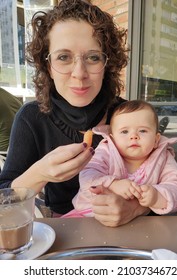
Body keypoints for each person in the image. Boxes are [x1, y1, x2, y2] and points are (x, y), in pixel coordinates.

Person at [0, 0, 148, 226]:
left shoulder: (130, 115)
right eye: (63, 57)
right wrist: (40, 174)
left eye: (93, 57)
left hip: (130, 234)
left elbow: (170, 185)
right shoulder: (32, 118)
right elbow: (3, 202)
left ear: (107, 64)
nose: (79, 74)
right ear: (48, 65)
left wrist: (136, 208)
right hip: (61, 234)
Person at [62, 100, 177, 218]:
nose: (134, 136)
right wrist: (113, 184)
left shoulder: (163, 157)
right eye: (124, 132)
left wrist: (157, 196)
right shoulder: (106, 152)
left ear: (156, 139)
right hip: (90, 215)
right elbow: (87, 176)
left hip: (141, 224)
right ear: (113, 138)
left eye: (143, 130)